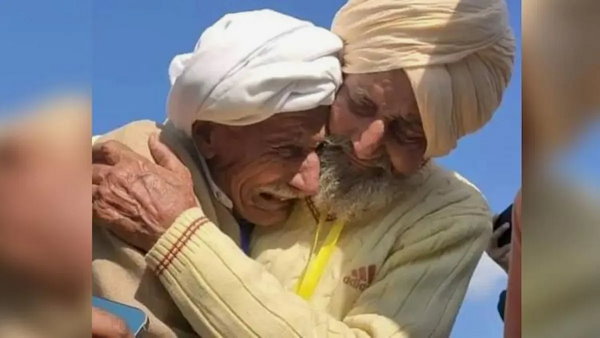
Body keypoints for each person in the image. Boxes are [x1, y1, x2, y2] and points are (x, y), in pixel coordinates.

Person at [93, 0, 515, 336]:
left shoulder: (449, 217)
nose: (367, 147)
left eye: (410, 133)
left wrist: (181, 236)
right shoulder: (251, 151)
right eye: (361, 104)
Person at [92, 10, 343, 337]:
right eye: (286, 150)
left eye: (319, 150)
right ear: (208, 137)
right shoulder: (136, 165)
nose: (309, 184)